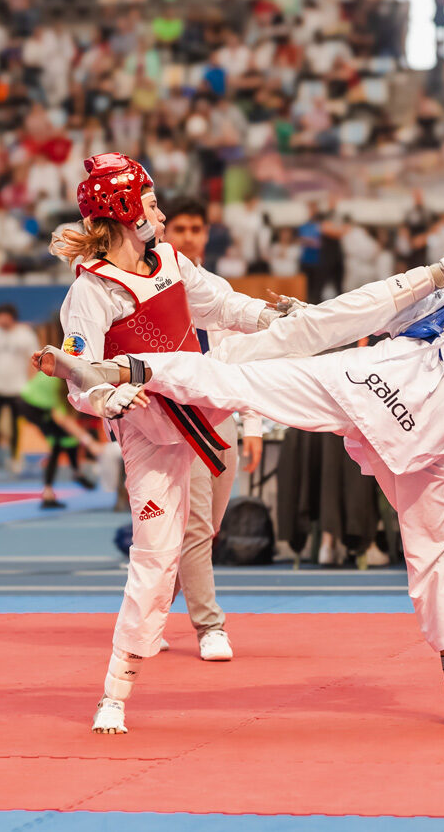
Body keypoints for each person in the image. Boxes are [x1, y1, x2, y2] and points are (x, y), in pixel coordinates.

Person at [37, 219, 444, 730]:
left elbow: (381, 314)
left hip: (361, 381)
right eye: (150, 204)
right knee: (436, 559)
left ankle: (127, 368)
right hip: (423, 440)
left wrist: (310, 316)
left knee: (234, 375)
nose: (162, 216)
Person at [44, 152, 287, 735]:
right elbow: (79, 374)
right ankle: (116, 691)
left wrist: (278, 316)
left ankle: (343, 342)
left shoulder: (173, 262)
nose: (158, 210)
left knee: (206, 528)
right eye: (149, 201)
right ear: (125, 209)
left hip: (204, 409)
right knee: (154, 559)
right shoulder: (92, 292)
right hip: (151, 435)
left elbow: (225, 306)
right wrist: (105, 400)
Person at [159, 195, 268, 662]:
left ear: (206, 233)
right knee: (195, 527)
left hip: (221, 418)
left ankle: (150, 610)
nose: (186, 237)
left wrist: (254, 426)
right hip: (176, 419)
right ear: (163, 233)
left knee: (204, 528)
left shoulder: (220, 290)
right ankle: (210, 626)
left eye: (195, 229)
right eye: (178, 228)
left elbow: (247, 360)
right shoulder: (152, 288)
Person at [19, 317, 100, 509]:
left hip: (36, 404)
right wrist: (89, 442)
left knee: (66, 439)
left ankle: (76, 473)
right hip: (32, 406)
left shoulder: (66, 371)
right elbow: (62, 419)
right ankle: (49, 493)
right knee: (58, 443)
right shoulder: (61, 379)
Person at [0, 303, 39, 473]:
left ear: (10, 316)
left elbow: (34, 360)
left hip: (18, 388)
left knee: (16, 426)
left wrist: (30, 384)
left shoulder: (25, 335)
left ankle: (15, 458)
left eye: (2, 316)